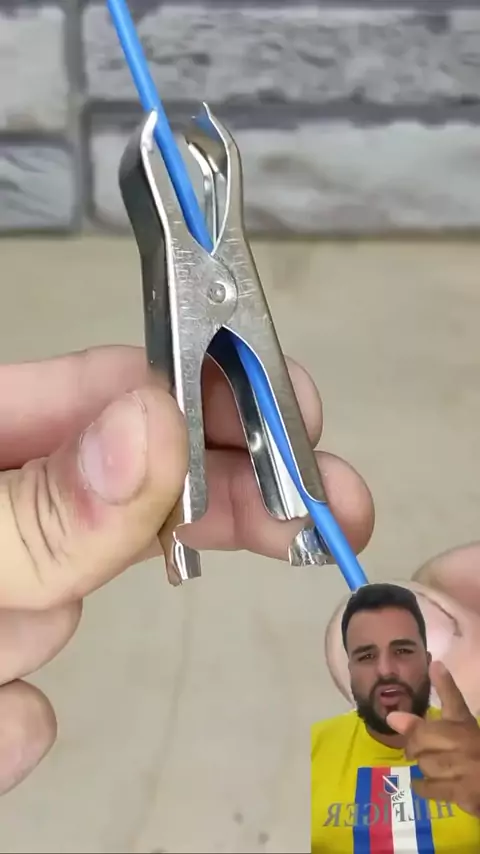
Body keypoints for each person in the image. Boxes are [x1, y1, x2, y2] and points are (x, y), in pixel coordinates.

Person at [311, 582, 480, 853]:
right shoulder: (311, 750)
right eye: (367, 656)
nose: (386, 670)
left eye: (402, 651)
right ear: (351, 670)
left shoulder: (474, 746)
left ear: (427, 660)